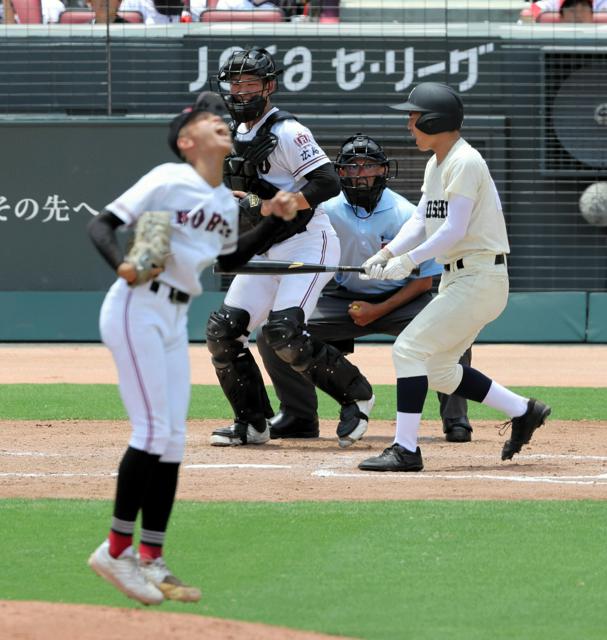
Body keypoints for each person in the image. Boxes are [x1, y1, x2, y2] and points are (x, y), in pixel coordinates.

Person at [86, 91, 298, 605]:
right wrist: (122, 263)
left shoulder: (224, 200)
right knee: (153, 430)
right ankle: (115, 552)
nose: (221, 123)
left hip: (173, 313)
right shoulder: (168, 179)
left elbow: (231, 259)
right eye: (209, 120)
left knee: (173, 439)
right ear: (187, 141)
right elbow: (102, 225)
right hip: (136, 305)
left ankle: (152, 559)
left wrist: (277, 218)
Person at [357, 82, 552, 472]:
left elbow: (454, 229)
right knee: (439, 369)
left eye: (414, 117)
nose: (410, 124)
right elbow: (421, 219)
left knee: (408, 350)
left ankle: (405, 450)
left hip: (479, 276)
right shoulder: (438, 162)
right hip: (462, 278)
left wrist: (409, 261)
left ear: (434, 119)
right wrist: (387, 252)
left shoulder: (466, 161)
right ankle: (524, 410)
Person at [206, 47, 375, 449]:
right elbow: (237, 194)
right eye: (234, 83)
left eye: (249, 83)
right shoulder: (232, 133)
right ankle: (252, 423)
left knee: (284, 334)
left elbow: (326, 183)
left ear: (269, 86)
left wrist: (268, 202)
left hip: (307, 240)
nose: (240, 91)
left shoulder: (287, 131)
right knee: (224, 332)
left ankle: (357, 396)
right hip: (264, 245)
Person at [257, 133, 474, 444]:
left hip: (402, 299)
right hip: (341, 298)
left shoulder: (405, 213)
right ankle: (299, 416)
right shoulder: (324, 210)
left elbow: (425, 281)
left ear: (383, 171)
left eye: (368, 166)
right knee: (272, 333)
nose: (360, 174)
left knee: (453, 330)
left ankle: (456, 420)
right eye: (351, 167)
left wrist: (378, 310)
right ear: (339, 173)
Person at [529, 0, 605, 21]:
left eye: (584, 6)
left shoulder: (601, 1)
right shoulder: (556, 1)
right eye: (571, 6)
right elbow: (533, 9)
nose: (578, 14)